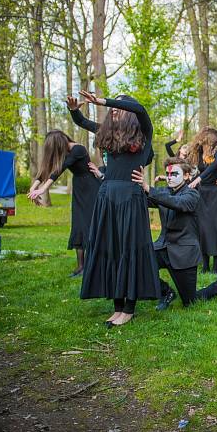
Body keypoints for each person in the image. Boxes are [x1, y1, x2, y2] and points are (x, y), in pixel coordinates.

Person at [67, 91, 160, 327]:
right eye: (114, 106)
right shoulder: (108, 133)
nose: (115, 109)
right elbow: (81, 122)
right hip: (107, 196)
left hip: (130, 197)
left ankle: (129, 308)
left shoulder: (144, 134)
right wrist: (74, 109)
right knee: (111, 250)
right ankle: (117, 307)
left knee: (129, 250)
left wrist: (105, 101)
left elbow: (141, 111)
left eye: (120, 105)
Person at [134, 158, 217, 310]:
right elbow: (143, 198)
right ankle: (166, 292)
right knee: (138, 264)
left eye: (174, 173)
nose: (169, 177)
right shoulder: (164, 192)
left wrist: (148, 187)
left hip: (184, 253)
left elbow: (177, 203)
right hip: (163, 247)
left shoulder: (192, 195)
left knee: (190, 301)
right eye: (167, 174)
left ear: (187, 176)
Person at [28, 130, 101, 277]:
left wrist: (43, 189)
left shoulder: (78, 149)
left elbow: (59, 170)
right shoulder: (65, 152)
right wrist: (33, 188)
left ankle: (92, 265)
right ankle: (81, 266)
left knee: (89, 224)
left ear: (58, 143)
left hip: (91, 188)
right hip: (79, 189)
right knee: (78, 225)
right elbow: (45, 170)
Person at [188, 127, 217, 274]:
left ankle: (216, 266)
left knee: (216, 228)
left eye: (204, 139)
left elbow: (216, 165)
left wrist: (199, 179)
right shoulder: (200, 152)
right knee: (203, 228)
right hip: (204, 194)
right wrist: (193, 179)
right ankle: (205, 265)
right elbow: (200, 169)